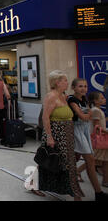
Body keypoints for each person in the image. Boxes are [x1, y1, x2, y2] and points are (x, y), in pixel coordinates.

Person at [38, 70, 84, 200]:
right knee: (52, 161)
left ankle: (73, 191)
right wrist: (49, 137)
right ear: (57, 82)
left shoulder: (63, 96)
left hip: (67, 134)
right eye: (65, 80)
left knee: (64, 162)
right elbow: (45, 117)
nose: (67, 82)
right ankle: (76, 194)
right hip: (56, 134)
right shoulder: (51, 96)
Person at [68, 78, 107, 201]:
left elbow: (87, 116)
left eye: (85, 86)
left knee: (88, 161)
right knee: (88, 160)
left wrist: (87, 115)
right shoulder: (71, 99)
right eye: (80, 86)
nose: (83, 88)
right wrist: (87, 115)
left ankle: (97, 192)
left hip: (84, 132)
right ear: (73, 87)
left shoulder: (84, 100)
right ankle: (80, 194)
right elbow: (83, 116)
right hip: (76, 132)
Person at [89, 91, 108, 188]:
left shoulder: (98, 110)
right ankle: (78, 172)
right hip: (99, 139)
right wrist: (106, 132)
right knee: (93, 160)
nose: (104, 99)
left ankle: (105, 180)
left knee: (104, 160)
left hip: (101, 138)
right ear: (95, 101)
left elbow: (100, 121)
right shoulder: (96, 110)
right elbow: (96, 126)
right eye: (101, 98)